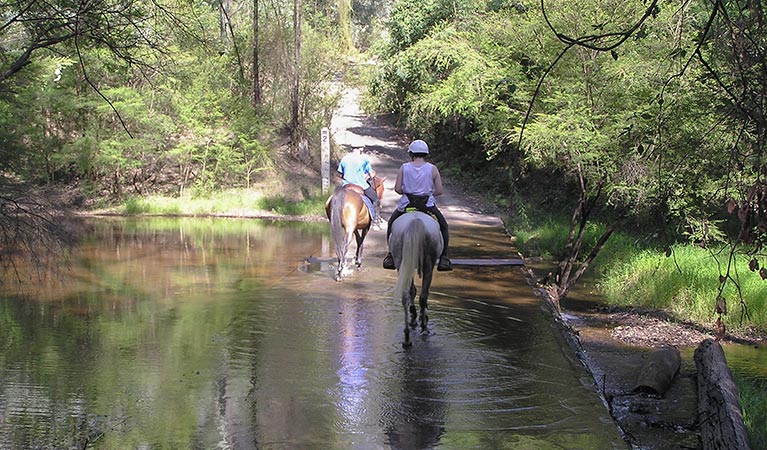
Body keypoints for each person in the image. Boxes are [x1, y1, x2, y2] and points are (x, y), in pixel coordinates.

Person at [383, 139, 452, 271]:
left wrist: (408, 191)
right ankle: (444, 258)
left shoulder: (404, 167)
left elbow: (397, 189)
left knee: (391, 223)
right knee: (443, 226)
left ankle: (391, 255)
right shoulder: (432, 169)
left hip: (407, 204)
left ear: (411, 154)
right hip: (427, 205)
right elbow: (439, 191)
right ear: (425, 154)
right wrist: (428, 193)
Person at [337, 145, 383, 226]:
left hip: (346, 185)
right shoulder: (364, 160)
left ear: (352, 148)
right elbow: (371, 174)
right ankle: (376, 220)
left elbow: (340, 173)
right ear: (361, 148)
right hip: (361, 185)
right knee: (376, 199)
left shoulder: (345, 158)